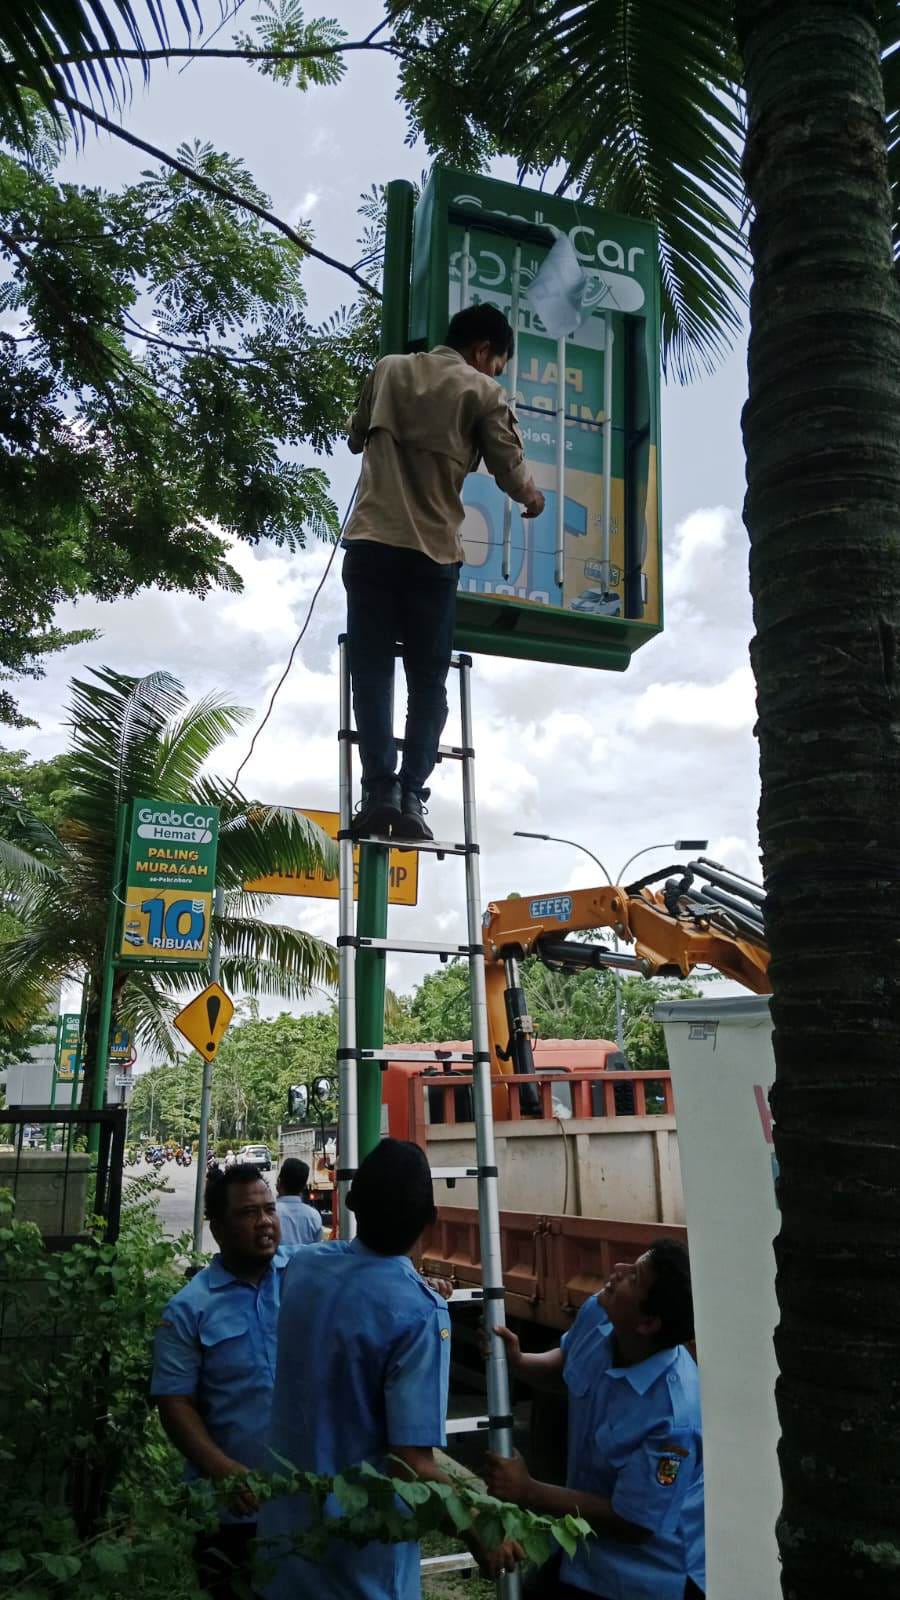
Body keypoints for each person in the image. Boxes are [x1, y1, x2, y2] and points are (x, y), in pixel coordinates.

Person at [256, 1138, 522, 1597]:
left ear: (353, 1204)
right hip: (358, 1569)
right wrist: (479, 1530)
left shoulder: (303, 1268)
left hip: (284, 1549)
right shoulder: (418, 1313)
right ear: (431, 1222)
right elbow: (410, 1465)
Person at [343, 303, 546, 842]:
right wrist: (534, 499)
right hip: (432, 557)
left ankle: (378, 788)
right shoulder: (483, 393)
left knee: (372, 673)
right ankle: (412, 795)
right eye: (497, 362)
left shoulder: (389, 369)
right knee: (427, 681)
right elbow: (510, 468)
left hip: (371, 545)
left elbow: (355, 435)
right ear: (482, 351)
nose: (495, 372)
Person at [484, 1241, 704, 1600]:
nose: (617, 1269)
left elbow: (634, 1523)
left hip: (642, 1578)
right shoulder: (601, 1315)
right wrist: (520, 1362)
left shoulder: (673, 1416)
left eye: (634, 1277)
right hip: (581, 1549)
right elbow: (568, 1367)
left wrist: (529, 1490)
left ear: (648, 1323)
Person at [150, 1163, 297, 1600]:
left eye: (269, 1209)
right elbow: (174, 1403)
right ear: (217, 1227)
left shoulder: (306, 1276)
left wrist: (422, 1282)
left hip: (304, 1504)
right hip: (231, 1514)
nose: (266, 1222)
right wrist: (224, 1473)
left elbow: (367, 1275)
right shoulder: (188, 1309)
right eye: (249, 1213)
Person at [275, 1157, 324, 1246]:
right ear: (303, 1187)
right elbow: (317, 1248)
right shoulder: (314, 1215)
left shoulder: (269, 1213)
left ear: (279, 1183)